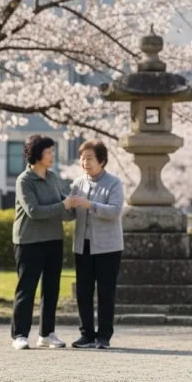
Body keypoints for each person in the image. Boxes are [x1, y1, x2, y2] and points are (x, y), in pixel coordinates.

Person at [11, 134, 79, 350]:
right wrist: (64, 205)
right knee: (27, 289)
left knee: (51, 289)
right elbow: (34, 211)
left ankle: (47, 333)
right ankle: (20, 334)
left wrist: (75, 209)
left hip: (53, 239)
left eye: (52, 151)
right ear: (37, 153)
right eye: (48, 151)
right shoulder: (24, 180)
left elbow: (60, 205)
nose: (52, 155)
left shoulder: (52, 177)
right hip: (29, 241)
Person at [67, 140, 124, 350]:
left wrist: (90, 204)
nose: (85, 162)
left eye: (89, 158)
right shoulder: (78, 184)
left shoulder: (114, 183)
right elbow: (71, 214)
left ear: (102, 160)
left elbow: (115, 211)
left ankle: (104, 336)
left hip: (108, 247)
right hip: (83, 245)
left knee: (105, 292)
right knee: (83, 291)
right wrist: (63, 206)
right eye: (82, 158)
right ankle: (87, 334)